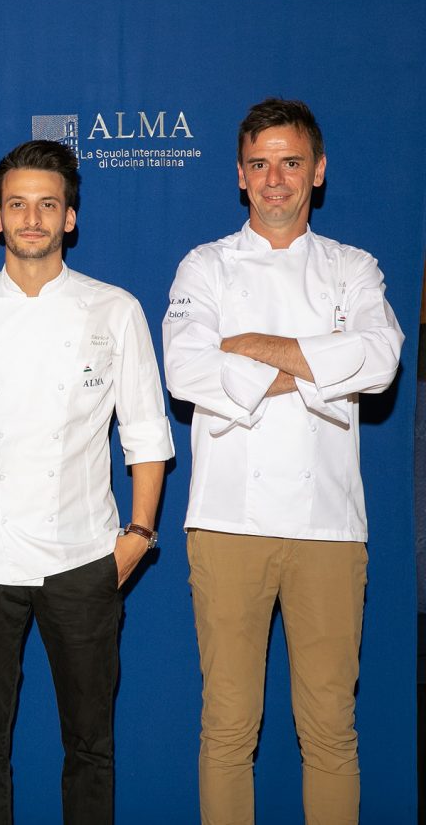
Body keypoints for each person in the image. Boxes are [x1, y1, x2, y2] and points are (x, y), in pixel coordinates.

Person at [162, 98, 403, 825]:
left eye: (290, 162)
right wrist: (321, 366)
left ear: (317, 171)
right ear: (240, 175)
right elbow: (183, 370)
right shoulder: (206, 265)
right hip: (227, 520)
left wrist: (245, 346)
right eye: (260, 164)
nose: (275, 179)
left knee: (330, 731)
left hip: (329, 525)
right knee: (229, 728)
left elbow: (381, 360)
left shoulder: (354, 267)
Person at [0, 139, 173, 825]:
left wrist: (136, 536)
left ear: (69, 218)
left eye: (48, 205)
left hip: (84, 555)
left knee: (90, 743)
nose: (33, 218)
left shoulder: (114, 308)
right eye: (18, 205)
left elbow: (146, 431)